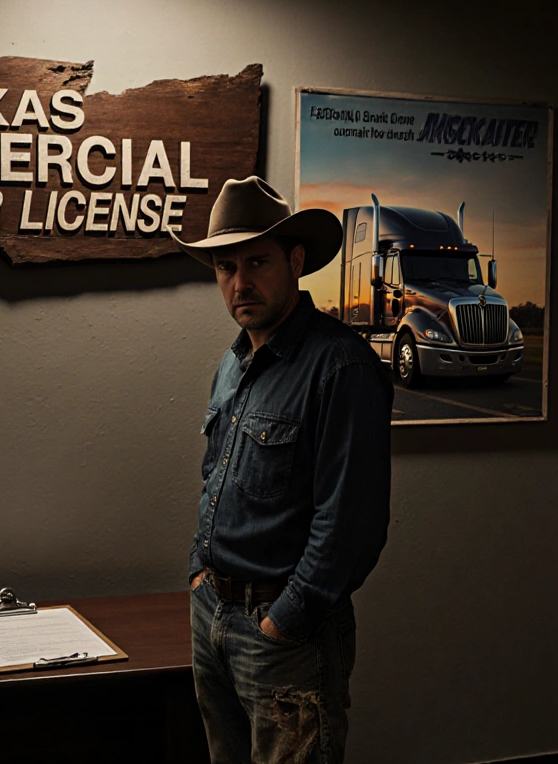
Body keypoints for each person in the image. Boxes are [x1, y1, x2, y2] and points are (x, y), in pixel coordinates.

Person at [170, 176, 393, 763]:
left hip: (283, 637)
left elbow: (351, 525)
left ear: (295, 261)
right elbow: (213, 480)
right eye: (225, 267)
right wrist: (200, 573)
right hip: (214, 618)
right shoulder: (234, 361)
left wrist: (285, 621)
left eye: (257, 262)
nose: (239, 282)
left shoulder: (340, 366)